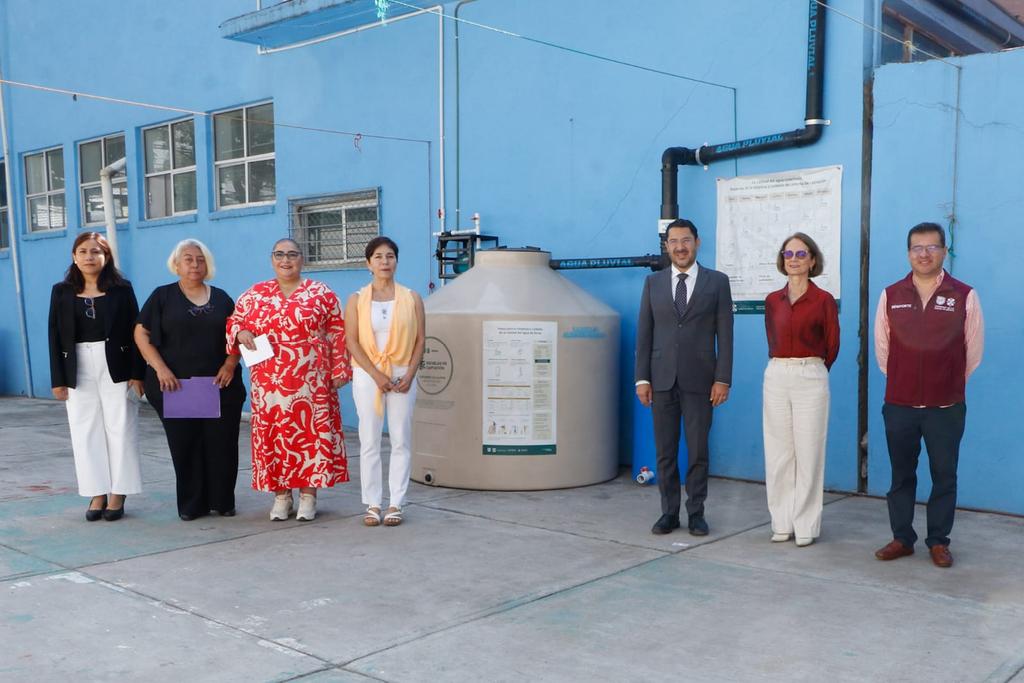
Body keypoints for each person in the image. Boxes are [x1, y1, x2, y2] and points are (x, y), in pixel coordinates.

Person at [873, 222, 983, 569]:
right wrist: (907, 381)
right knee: (901, 474)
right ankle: (902, 538)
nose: (924, 254)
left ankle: (938, 541)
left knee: (944, 474)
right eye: (917, 248)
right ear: (908, 253)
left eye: (932, 247)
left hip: (945, 406)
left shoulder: (964, 294)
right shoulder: (891, 294)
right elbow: (882, 349)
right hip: (900, 404)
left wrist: (944, 383)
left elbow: (973, 351)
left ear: (944, 251)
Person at [227, 238, 351, 522]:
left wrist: (340, 368)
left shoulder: (321, 293)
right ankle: (281, 496)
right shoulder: (254, 294)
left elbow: (338, 329)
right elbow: (234, 321)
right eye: (280, 255)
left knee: (310, 436)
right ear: (272, 259)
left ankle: (309, 495)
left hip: (312, 382)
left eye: (292, 254)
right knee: (277, 436)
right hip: (270, 382)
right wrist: (239, 333)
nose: (286, 260)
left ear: (302, 259)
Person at [134, 239, 246, 521]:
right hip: (177, 386)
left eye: (199, 259)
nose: (194, 264)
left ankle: (222, 501)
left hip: (219, 385)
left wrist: (230, 364)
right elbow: (141, 334)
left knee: (221, 444)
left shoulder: (221, 298)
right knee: (186, 444)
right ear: (176, 264)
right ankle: (192, 504)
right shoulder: (162, 296)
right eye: (188, 259)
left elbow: (237, 335)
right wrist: (160, 368)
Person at [635, 219, 734, 536]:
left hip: (701, 381)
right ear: (667, 246)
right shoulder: (654, 284)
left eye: (686, 240)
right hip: (661, 380)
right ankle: (668, 513)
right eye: (674, 241)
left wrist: (723, 378)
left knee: (697, 451)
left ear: (697, 242)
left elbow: (726, 335)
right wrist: (642, 379)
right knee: (665, 451)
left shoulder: (717, 282)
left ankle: (696, 513)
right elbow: (644, 334)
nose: (680, 247)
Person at [48, 232, 145, 521]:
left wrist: (138, 374)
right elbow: (54, 334)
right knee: (84, 429)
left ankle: (119, 492)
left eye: (96, 252)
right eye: (83, 251)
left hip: (116, 363)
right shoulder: (61, 291)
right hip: (77, 365)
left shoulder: (122, 289)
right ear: (74, 256)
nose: (89, 257)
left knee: (121, 426)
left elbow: (137, 331)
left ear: (106, 257)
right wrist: (58, 378)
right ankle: (97, 492)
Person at [762, 232, 839, 547]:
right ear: (783, 260)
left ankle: (806, 524)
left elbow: (832, 345)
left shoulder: (823, 301)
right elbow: (772, 336)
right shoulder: (772, 300)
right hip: (777, 374)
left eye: (800, 254)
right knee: (779, 453)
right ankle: (781, 522)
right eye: (788, 254)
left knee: (809, 451)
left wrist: (813, 369)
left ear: (812, 260)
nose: (793, 259)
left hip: (810, 374)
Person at [345, 237, 426, 527]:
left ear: (396, 261)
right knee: (369, 439)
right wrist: (376, 375)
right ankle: (373, 503)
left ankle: (396, 503)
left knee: (401, 438)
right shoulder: (356, 299)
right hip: (368, 374)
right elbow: (351, 342)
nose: (384, 262)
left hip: (403, 372)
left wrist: (410, 374)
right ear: (368, 263)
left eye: (390, 256)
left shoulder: (412, 297)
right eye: (378, 257)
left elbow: (420, 340)